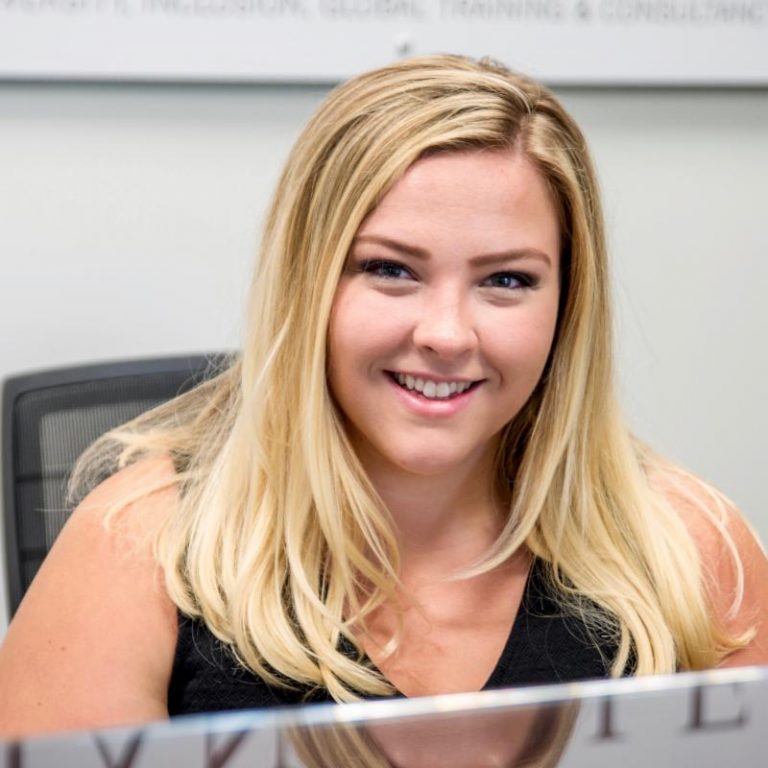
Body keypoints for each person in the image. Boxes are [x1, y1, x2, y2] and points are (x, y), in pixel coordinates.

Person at [0, 54, 766, 739]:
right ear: (307, 284)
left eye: (507, 280)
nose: (446, 333)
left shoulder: (689, 549)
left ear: (567, 305)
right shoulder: (140, 547)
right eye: (390, 270)